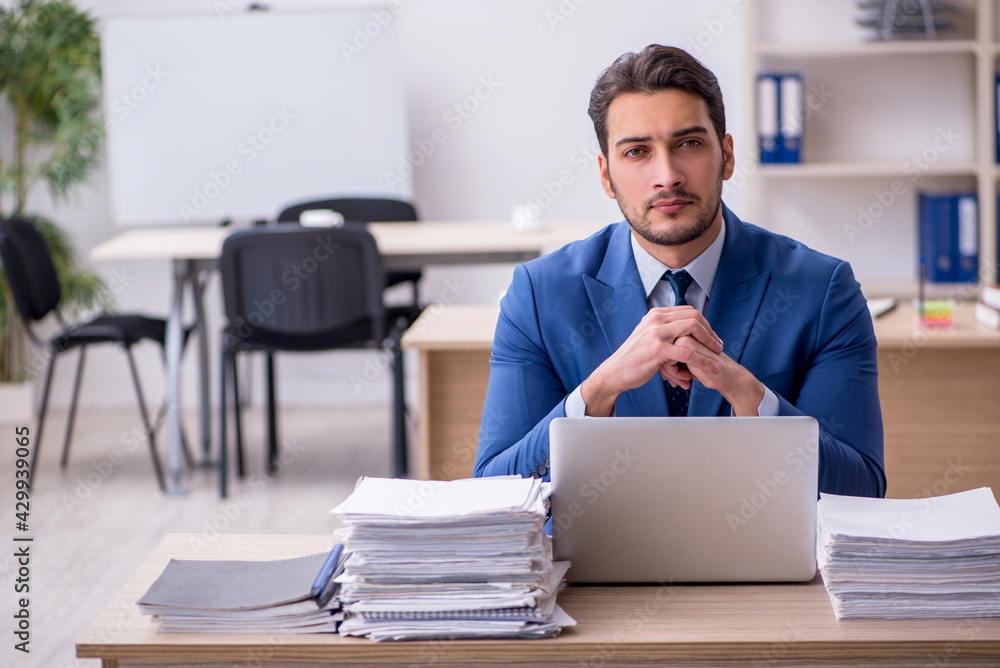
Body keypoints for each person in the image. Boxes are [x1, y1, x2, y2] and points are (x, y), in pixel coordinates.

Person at [473, 45, 885, 498]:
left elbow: (860, 492)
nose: (667, 175)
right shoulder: (537, 295)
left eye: (688, 144)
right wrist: (599, 390)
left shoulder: (823, 291)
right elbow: (498, 493)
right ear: (606, 176)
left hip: (767, 566)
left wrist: (749, 396)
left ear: (726, 156)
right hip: (599, 565)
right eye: (636, 152)